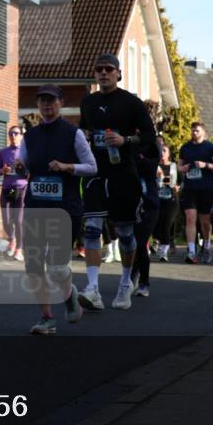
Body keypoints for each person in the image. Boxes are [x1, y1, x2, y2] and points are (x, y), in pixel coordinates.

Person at [77, 54, 157, 311]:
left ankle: (125, 283)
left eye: (108, 69)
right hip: (96, 173)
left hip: (124, 173)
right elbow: (83, 131)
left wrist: (126, 141)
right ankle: (92, 289)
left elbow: (149, 136)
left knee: (124, 233)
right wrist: (84, 137)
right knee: (92, 228)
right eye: (98, 69)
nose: (103, 73)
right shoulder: (88, 102)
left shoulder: (132, 103)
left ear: (118, 73)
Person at [15, 86, 95, 334]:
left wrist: (67, 166)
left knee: (58, 267)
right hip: (36, 207)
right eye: (42, 101)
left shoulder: (74, 134)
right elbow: (23, 167)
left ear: (61, 103)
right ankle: (47, 318)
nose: (46, 105)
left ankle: (70, 296)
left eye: (51, 100)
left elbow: (92, 167)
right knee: (34, 266)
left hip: (65, 209)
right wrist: (18, 167)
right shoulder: (30, 136)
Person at [177, 122, 213, 264]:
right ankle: (191, 251)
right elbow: (179, 167)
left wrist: (206, 165)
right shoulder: (185, 148)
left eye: (197, 131)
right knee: (190, 218)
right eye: (192, 131)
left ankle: (207, 246)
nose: (194, 133)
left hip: (205, 189)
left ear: (203, 132)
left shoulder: (210, 147)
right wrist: (183, 168)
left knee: (204, 220)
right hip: (190, 188)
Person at [131, 127, 162, 297]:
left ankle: (143, 282)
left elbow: (151, 166)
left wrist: (140, 160)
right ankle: (133, 275)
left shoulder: (152, 145)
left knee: (140, 241)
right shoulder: (128, 145)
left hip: (150, 203)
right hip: (132, 201)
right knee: (132, 241)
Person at [0, 126, 27, 261]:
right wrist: (3, 170)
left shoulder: (26, 152)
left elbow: (31, 170)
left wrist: (23, 168)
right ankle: (12, 239)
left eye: (16, 133)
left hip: (21, 188)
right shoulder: (3, 152)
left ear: (21, 136)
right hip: (8, 188)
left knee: (19, 221)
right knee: (7, 220)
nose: (13, 135)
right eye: (11, 133)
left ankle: (19, 249)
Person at [154, 143, 180, 261]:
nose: (162, 153)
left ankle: (164, 250)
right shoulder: (154, 166)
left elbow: (182, 181)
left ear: (169, 154)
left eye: (165, 150)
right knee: (157, 224)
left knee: (167, 223)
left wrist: (179, 187)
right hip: (157, 199)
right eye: (161, 151)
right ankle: (158, 244)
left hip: (171, 200)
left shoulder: (174, 166)